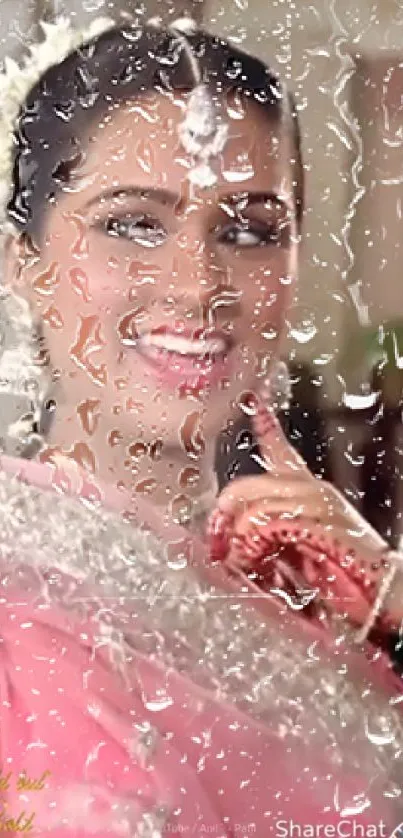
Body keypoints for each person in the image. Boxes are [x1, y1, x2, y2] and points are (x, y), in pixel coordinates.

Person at [0, 14, 402, 835]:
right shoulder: (21, 612)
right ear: (24, 264)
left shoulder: (310, 576)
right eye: (133, 223)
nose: (199, 286)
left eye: (249, 231)